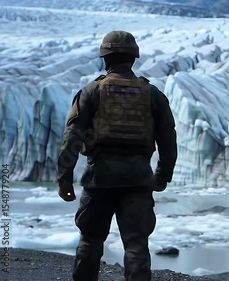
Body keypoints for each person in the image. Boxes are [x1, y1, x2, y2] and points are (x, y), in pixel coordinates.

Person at [57, 30, 177, 281]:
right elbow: (167, 139)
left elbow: (72, 138)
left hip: (99, 180)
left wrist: (65, 178)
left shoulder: (91, 92)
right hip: (138, 180)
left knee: (90, 242)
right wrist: (162, 175)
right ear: (134, 58)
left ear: (105, 58)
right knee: (136, 246)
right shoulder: (152, 94)